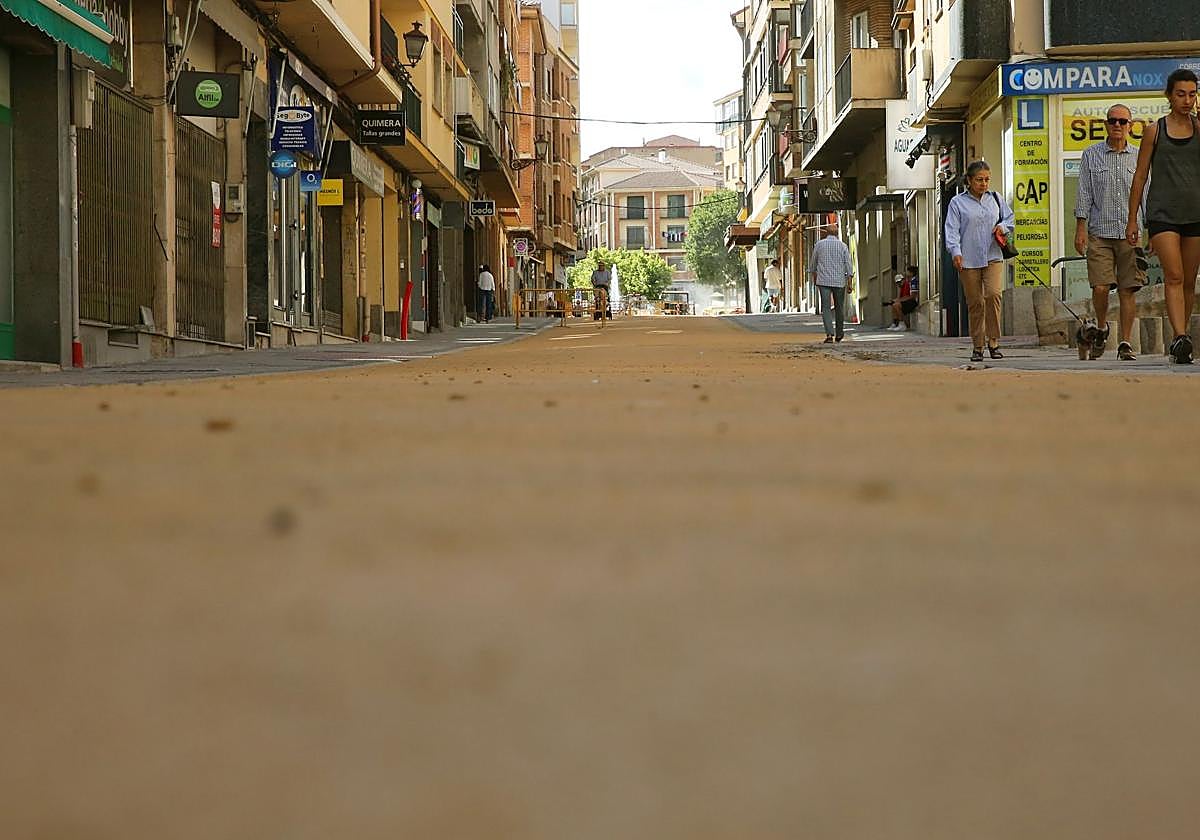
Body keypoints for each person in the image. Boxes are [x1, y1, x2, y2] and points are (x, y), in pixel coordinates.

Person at [1127, 68, 1200, 364]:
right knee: (1174, 275)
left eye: (1192, 94)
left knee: (1189, 280)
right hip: (1162, 214)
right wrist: (1133, 218)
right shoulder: (1154, 130)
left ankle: (1181, 338)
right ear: (1169, 95)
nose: (1187, 100)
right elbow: (1140, 175)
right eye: (1181, 94)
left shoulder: (1199, 127)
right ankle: (1179, 336)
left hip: (1195, 212)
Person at [1074, 104, 1145, 361]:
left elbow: (1145, 194)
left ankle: (1125, 343)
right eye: (1113, 120)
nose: (1117, 125)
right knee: (1101, 287)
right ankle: (1102, 328)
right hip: (1099, 232)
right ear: (1106, 124)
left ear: (1130, 125)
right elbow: (1084, 192)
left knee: (1128, 289)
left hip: (1130, 232)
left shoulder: (1139, 156)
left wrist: (1152, 230)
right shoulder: (1091, 155)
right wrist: (1080, 228)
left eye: (1122, 121)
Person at [945, 160, 1014, 362]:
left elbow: (1010, 219)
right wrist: (955, 252)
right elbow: (951, 230)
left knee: (993, 295)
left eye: (986, 180)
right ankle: (978, 346)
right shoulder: (957, 203)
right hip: (968, 259)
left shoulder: (995, 198)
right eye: (979, 180)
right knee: (975, 302)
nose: (983, 184)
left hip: (993, 255)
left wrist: (1002, 227)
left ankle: (994, 341)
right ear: (969, 180)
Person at [808, 227, 853, 343]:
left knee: (826, 307)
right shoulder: (843, 246)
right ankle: (839, 334)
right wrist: (849, 282)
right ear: (837, 233)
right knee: (839, 307)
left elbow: (813, 264)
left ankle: (829, 334)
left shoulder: (819, 245)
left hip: (823, 281)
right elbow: (848, 265)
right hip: (839, 281)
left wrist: (814, 277)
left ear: (826, 233)